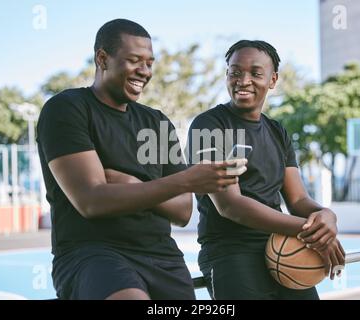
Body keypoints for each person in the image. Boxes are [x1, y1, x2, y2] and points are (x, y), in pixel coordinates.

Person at [36, 19, 246, 300]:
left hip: (162, 256)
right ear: (102, 58)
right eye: (134, 61)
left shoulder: (156, 121)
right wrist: (183, 181)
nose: (144, 72)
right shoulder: (67, 109)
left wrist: (131, 182)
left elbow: (183, 211)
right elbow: (92, 201)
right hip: (94, 254)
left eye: (149, 63)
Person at [187, 40, 346, 300]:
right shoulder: (209, 125)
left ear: (272, 80)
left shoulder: (277, 131)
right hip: (231, 251)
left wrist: (326, 217)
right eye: (235, 72)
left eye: (255, 73)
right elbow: (231, 205)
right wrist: (313, 232)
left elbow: (297, 200)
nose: (243, 80)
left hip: (282, 245)